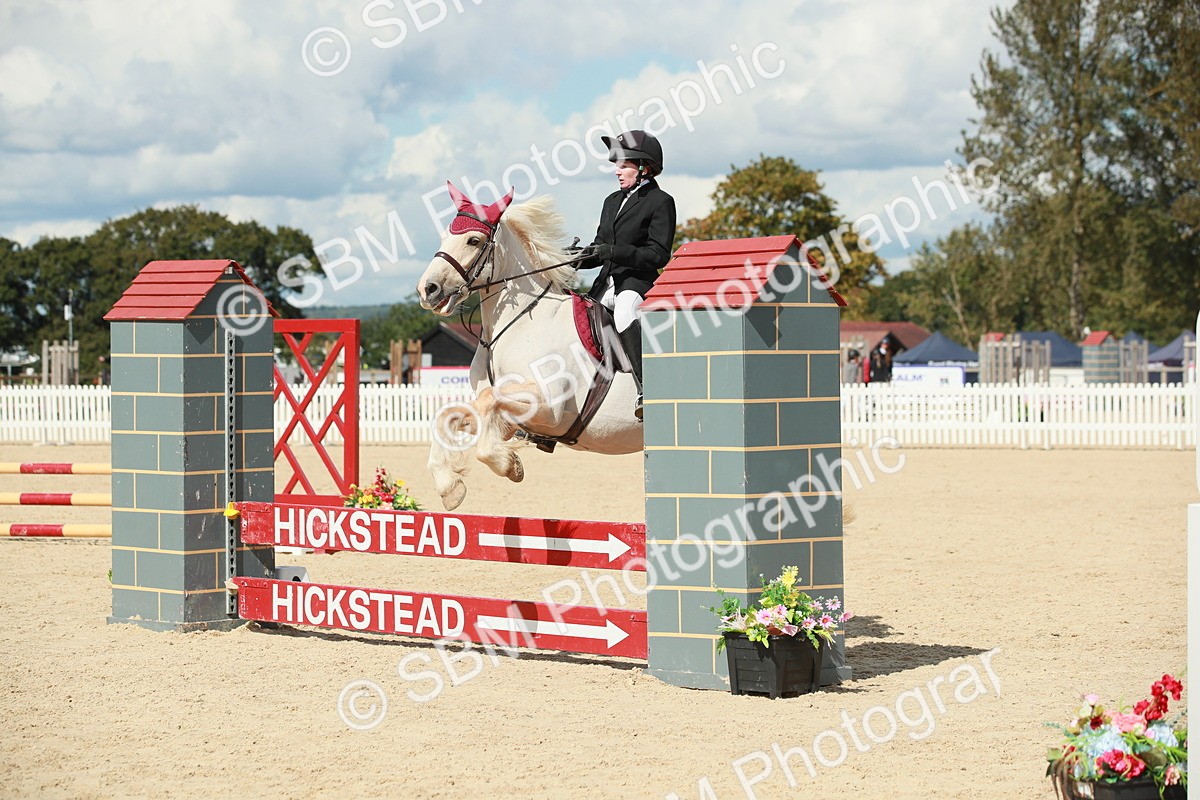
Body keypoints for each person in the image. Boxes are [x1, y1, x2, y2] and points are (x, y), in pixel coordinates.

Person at [583, 130, 676, 418]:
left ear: (644, 168)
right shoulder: (611, 201)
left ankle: (646, 389)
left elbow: (658, 254)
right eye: (617, 165)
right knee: (574, 316)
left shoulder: (660, 201)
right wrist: (576, 259)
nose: (617, 171)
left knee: (624, 314)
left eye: (623, 165)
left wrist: (613, 252)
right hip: (605, 283)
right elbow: (600, 246)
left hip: (636, 282)